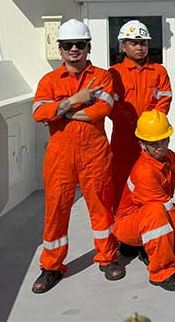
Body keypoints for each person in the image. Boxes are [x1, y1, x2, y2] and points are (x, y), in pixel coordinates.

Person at [30, 19, 125, 293]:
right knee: (56, 212)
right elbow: (38, 113)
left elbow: (102, 110)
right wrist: (76, 99)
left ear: (88, 47)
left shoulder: (103, 77)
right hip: (60, 156)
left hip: (94, 154)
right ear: (60, 49)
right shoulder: (48, 81)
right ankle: (51, 267)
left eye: (79, 44)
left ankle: (108, 258)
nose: (74, 49)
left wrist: (62, 111)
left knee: (101, 208)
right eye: (68, 45)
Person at [114, 111, 175, 291]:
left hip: (156, 212)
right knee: (157, 211)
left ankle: (145, 248)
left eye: (163, 140)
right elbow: (166, 208)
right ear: (142, 144)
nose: (161, 146)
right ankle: (161, 273)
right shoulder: (144, 172)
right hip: (130, 224)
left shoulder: (169, 157)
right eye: (154, 143)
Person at [109, 20, 172, 209]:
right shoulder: (114, 73)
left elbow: (164, 101)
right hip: (124, 138)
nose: (139, 47)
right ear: (123, 46)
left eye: (143, 43)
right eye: (134, 43)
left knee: (154, 179)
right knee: (122, 180)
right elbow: (113, 106)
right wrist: (134, 125)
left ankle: (153, 221)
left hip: (153, 139)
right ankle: (124, 226)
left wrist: (151, 126)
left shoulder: (159, 71)